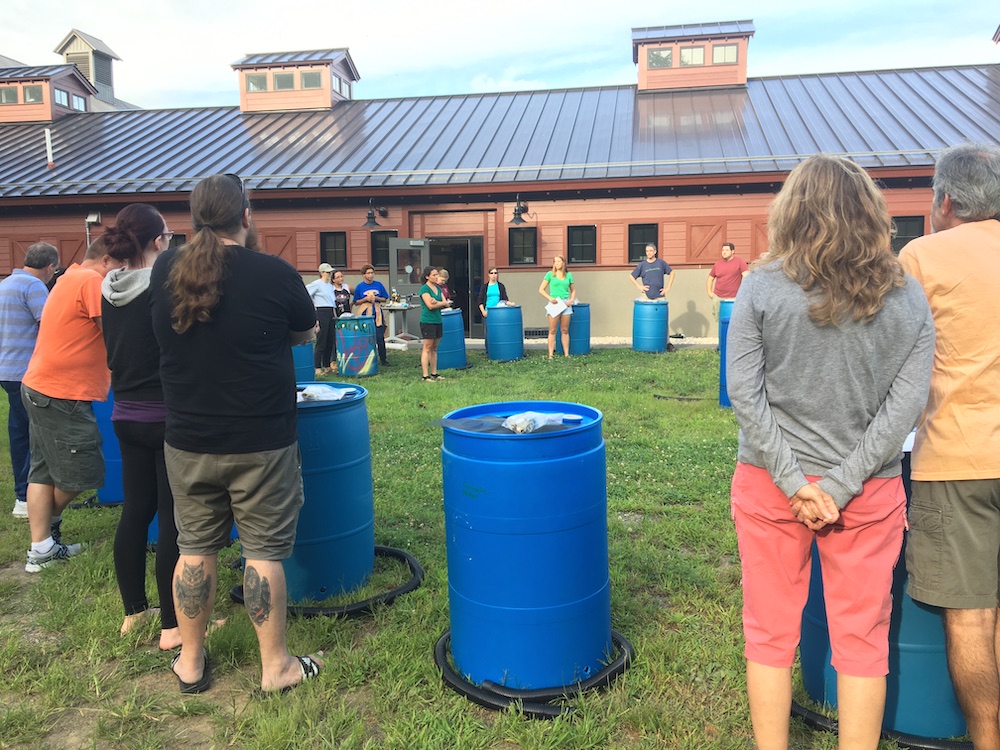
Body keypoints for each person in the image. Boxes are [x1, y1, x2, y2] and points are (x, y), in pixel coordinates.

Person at [726, 154, 935, 750]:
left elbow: (745, 391)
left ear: (791, 211)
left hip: (771, 487)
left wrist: (795, 482)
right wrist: (838, 487)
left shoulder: (762, 287)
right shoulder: (908, 299)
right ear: (871, 214)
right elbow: (904, 410)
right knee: (862, 640)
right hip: (868, 494)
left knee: (768, 634)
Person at [149, 174, 321, 695]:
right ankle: (277, 668)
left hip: (188, 438)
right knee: (263, 552)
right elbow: (304, 332)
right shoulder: (274, 271)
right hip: (262, 439)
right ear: (245, 216)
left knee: (194, 548)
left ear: (194, 219)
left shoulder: (164, 268)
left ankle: (192, 661)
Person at [899, 142, 1000, 750]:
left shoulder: (921, 255)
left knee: (972, 615)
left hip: (956, 457)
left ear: (944, 201)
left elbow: (887, 353)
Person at [100, 204, 184, 648]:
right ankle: (173, 623)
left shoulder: (107, 287)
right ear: (157, 242)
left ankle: (134, 612)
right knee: (171, 517)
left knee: (136, 511)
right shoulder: (162, 286)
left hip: (125, 413)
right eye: (169, 237)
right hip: (166, 415)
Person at [21, 238, 119, 572]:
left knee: (43, 471)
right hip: (63, 393)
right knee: (81, 473)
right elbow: (116, 335)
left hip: (40, 385)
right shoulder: (92, 281)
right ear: (105, 261)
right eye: (119, 269)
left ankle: (42, 547)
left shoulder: (70, 276)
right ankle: (47, 532)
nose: (119, 278)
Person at [0, 242, 58, 518]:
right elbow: (48, 324)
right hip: (28, 371)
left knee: (18, 431)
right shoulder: (33, 287)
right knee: (35, 432)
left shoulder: (7, 284)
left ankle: (21, 492)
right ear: (49, 267)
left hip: (6, 370)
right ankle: (25, 497)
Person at [352, 264, 391, 367]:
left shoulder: (378, 285)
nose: (371, 275)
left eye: (372, 273)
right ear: (364, 275)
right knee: (366, 337)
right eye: (368, 273)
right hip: (365, 314)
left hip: (377, 313)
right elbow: (356, 301)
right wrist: (365, 299)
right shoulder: (360, 287)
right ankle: (366, 358)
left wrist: (376, 298)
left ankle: (383, 359)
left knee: (379, 337)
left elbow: (385, 298)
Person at [538, 255, 575, 360]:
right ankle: (550, 354)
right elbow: (541, 289)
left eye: (559, 261)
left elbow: (573, 290)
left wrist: (571, 300)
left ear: (563, 263)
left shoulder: (568, 275)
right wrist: (550, 298)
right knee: (552, 330)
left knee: (564, 329)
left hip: (565, 303)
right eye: (555, 261)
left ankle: (566, 353)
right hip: (554, 303)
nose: (557, 263)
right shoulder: (550, 274)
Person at [419, 266, 451, 381]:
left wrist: (438, 302)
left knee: (435, 348)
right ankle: (425, 375)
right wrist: (439, 303)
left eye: (437, 274)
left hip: (438, 320)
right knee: (427, 348)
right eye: (434, 275)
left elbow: (446, 303)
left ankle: (434, 373)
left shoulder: (438, 288)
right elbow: (430, 306)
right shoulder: (424, 289)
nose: (436, 277)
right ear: (427, 277)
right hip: (428, 321)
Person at [306, 263, 337, 376]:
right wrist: (313, 309)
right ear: (322, 273)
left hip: (330, 311)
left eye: (330, 273)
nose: (329, 275)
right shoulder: (316, 284)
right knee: (321, 340)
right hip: (321, 311)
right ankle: (317, 367)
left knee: (330, 340)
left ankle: (327, 365)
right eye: (328, 273)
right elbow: (306, 294)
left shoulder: (330, 286)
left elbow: (332, 301)